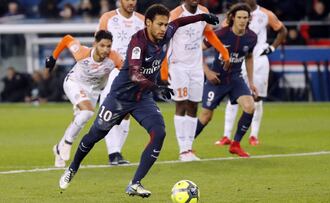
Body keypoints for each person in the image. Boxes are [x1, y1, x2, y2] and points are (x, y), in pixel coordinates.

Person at [58, 4, 220, 198]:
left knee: (159, 132)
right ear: (148, 23)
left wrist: (203, 17)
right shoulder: (138, 42)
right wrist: (157, 87)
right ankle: (72, 168)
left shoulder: (167, 31)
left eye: (165, 24)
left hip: (142, 98)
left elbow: (179, 22)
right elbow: (134, 74)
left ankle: (135, 183)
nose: (163, 28)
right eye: (159, 24)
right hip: (120, 97)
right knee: (94, 135)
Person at [47, 30, 123, 168]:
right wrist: (53, 57)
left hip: (93, 91)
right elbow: (67, 38)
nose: (106, 50)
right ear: (95, 44)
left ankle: (59, 148)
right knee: (87, 112)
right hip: (74, 83)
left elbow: (128, 72)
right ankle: (67, 143)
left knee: (81, 118)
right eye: (102, 45)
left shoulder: (115, 58)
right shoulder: (81, 52)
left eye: (108, 46)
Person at [216, 0, 287, 146]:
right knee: (233, 97)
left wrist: (272, 48)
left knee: (257, 97)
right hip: (238, 58)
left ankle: (253, 135)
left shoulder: (266, 14)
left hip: (259, 60)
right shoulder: (235, 14)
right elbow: (222, 34)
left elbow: (282, 30)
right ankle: (226, 135)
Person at [166, 0, 230, 162]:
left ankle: (189, 148)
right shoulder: (175, 14)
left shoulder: (203, 11)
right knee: (181, 104)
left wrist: (223, 51)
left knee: (194, 105)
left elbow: (209, 34)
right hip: (178, 66)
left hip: (195, 66)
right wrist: (164, 72)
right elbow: (163, 41)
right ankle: (182, 150)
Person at [194, 3, 258, 158]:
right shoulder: (221, 34)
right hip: (217, 79)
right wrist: (207, 71)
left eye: (245, 17)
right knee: (206, 116)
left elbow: (249, 57)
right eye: (239, 17)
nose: (242, 21)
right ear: (232, 18)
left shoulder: (251, 37)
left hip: (236, 78)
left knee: (250, 107)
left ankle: (235, 144)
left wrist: (251, 82)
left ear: (249, 19)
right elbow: (197, 50)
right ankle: (187, 146)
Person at [97, 0, 144, 165]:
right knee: (109, 110)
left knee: (126, 113)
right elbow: (99, 45)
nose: (131, 2)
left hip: (134, 73)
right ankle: (113, 153)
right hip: (113, 71)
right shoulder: (108, 18)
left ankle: (117, 152)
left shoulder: (142, 20)